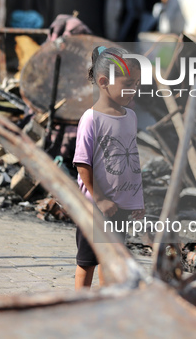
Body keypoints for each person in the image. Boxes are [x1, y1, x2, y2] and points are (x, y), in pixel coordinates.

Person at [73, 46, 145, 290]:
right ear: (104, 82)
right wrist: (100, 199)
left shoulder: (131, 117)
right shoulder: (91, 119)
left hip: (120, 207)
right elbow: (83, 164)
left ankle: (105, 302)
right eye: (128, 83)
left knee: (110, 259)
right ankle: (81, 304)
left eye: (137, 83)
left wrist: (137, 201)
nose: (133, 89)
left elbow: (132, 161)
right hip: (95, 206)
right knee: (87, 261)